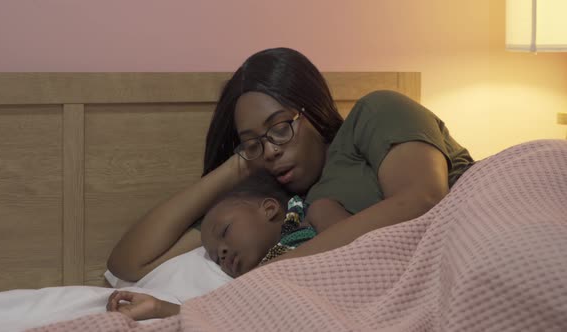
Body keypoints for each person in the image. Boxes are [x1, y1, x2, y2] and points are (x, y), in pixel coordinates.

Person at [107, 47, 473, 283]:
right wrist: (240, 165)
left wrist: (270, 274)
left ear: (312, 109)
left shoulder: (376, 112)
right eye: (254, 142)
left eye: (279, 128)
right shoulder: (274, 211)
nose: (269, 150)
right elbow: (129, 265)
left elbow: (421, 200)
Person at [106, 172, 316, 320]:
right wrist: (157, 307)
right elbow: (229, 321)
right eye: (216, 258)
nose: (222, 254)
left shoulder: (316, 225)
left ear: (269, 208)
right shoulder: (248, 284)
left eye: (225, 231)